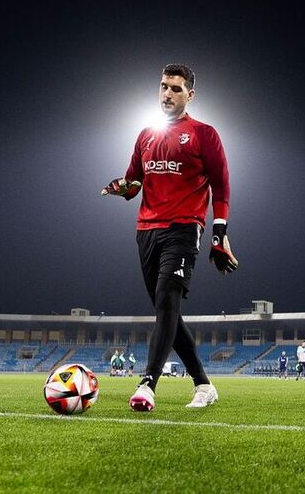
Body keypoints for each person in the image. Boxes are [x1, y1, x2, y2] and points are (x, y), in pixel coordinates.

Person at [103, 64, 238, 411]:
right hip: (146, 231)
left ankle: (148, 384)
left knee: (166, 303)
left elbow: (221, 186)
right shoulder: (146, 134)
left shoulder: (204, 134)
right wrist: (121, 187)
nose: (167, 94)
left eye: (176, 89)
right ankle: (204, 385)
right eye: (164, 86)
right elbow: (135, 181)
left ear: (190, 95)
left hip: (184, 227)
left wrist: (219, 233)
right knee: (169, 313)